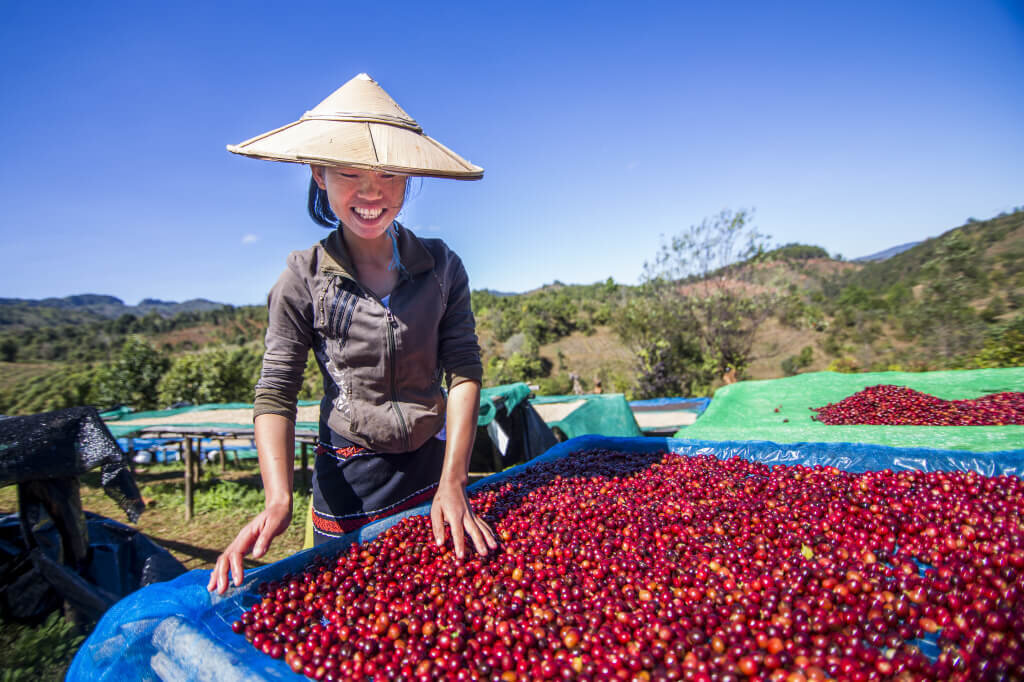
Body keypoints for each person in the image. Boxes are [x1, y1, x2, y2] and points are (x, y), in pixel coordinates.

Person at [209, 74, 496, 595]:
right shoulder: (303, 278)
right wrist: (277, 499)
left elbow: (463, 368)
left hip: (434, 470)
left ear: (409, 178)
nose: (371, 192)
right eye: (348, 172)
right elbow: (276, 391)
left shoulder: (441, 265)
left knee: (440, 613)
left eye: (389, 173)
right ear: (319, 174)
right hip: (349, 478)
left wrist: (455, 480)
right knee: (356, 614)